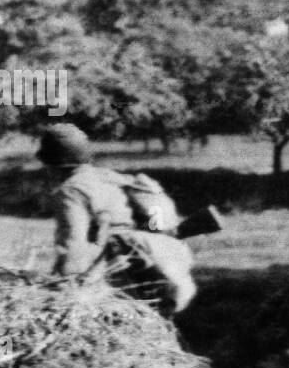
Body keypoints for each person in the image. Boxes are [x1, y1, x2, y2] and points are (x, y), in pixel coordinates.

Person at [37, 123, 197, 316]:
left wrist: (56, 291)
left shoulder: (71, 190)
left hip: (119, 271)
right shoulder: (107, 176)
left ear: (52, 164)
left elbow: (74, 245)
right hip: (149, 262)